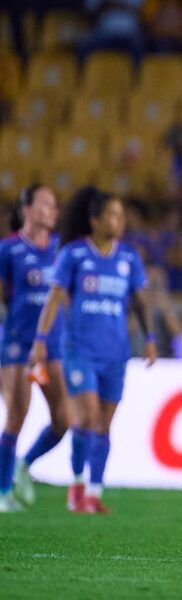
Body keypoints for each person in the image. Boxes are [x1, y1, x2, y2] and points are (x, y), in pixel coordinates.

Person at [30, 187, 157, 514]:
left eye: (122, 215)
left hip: (116, 352)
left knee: (104, 425)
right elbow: (55, 298)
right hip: (79, 350)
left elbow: (141, 301)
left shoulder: (129, 258)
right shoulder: (73, 255)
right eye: (113, 215)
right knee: (85, 418)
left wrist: (151, 339)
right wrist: (41, 340)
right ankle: (76, 487)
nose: (119, 221)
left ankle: (95, 491)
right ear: (96, 220)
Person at [0, 185, 69, 512]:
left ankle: (23, 464)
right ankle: (2, 493)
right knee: (16, 415)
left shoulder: (60, 250)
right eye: (44, 204)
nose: (51, 210)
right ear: (26, 209)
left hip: (51, 346)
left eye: (54, 205)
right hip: (18, 344)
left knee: (64, 419)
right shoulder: (9, 250)